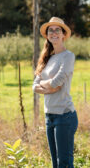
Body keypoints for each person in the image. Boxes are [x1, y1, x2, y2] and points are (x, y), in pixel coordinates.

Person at [33, 16, 78, 168]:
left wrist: (46, 85)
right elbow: (34, 86)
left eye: (57, 30)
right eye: (50, 30)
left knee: (64, 164)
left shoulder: (68, 56)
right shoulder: (47, 59)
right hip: (49, 116)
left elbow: (58, 82)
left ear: (63, 34)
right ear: (47, 35)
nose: (54, 33)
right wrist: (49, 86)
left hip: (64, 115)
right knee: (55, 164)